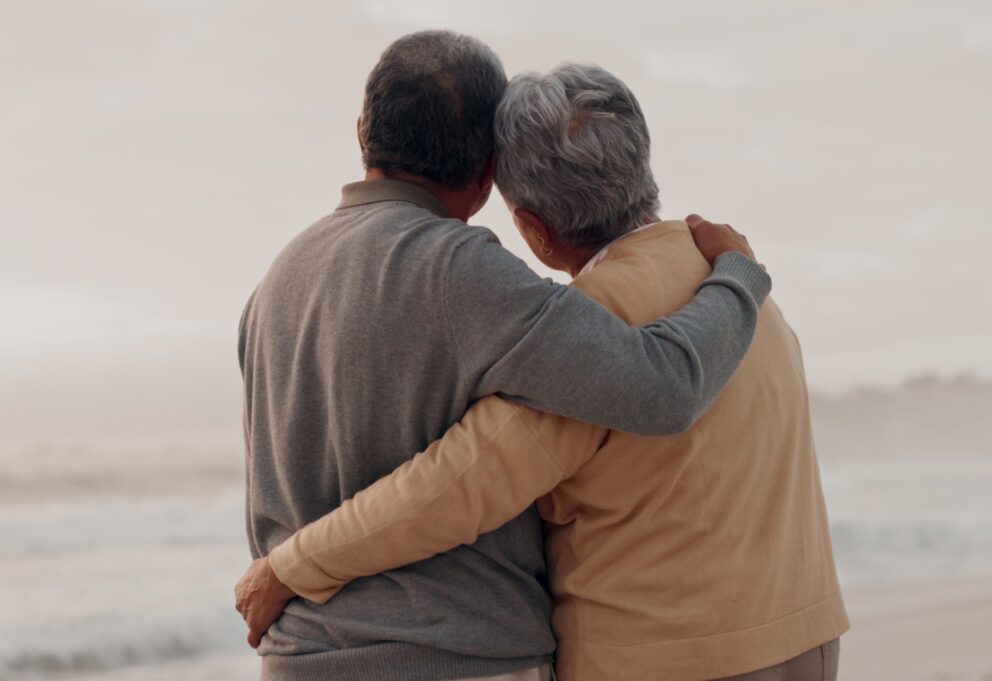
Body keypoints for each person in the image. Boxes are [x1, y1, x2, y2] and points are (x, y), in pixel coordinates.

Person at [236, 62, 847, 681]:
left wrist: (288, 567)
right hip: (807, 639)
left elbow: (452, 489)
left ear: (534, 229)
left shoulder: (591, 328)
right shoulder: (746, 294)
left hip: (666, 660)